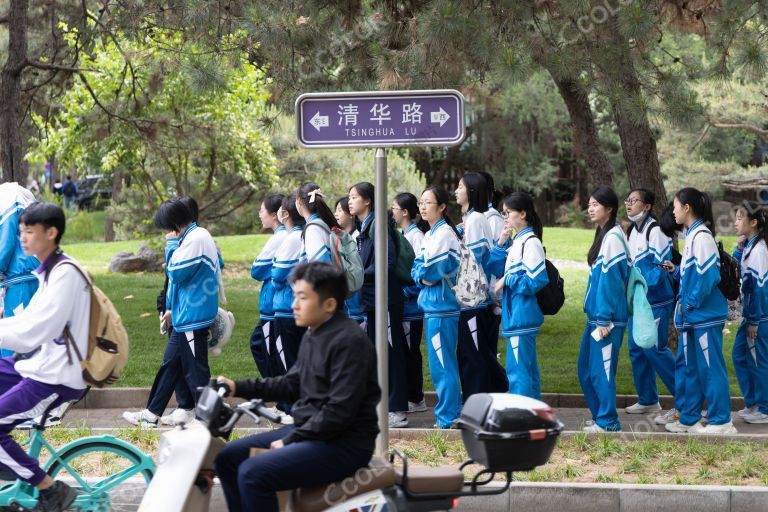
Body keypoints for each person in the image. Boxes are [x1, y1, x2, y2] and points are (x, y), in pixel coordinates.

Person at [214, 262, 380, 512]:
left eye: (303, 298)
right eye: (295, 296)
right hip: (314, 432)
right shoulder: (315, 333)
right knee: (227, 457)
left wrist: (293, 439)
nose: (294, 305)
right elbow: (291, 384)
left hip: (345, 444)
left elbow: (339, 411)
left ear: (329, 304)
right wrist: (237, 387)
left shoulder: (350, 342)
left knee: (252, 472)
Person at [0, 202, 89, 511]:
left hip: (55, 377)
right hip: (36, 364)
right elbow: (27, 323)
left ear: (51, 233)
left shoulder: (65, 274)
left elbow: (36, 331)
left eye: (29, 231)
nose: (23, 238)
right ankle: (10, 462)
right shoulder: (49, 271)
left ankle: (50, 489)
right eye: (21, 231)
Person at [123, 198, 221, 427]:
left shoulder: (196, 239)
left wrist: (170, 246)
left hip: (193, 317)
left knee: (196, 370)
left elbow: (175, 273)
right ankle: (150, 415)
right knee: (170, 365)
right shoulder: (193, 237)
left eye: (167, 227)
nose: (166, 232)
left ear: (175, 223)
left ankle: (209, 419)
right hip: (185, 315)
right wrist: (171, 309)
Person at [663, 187, 735, 434]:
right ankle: (689, 419)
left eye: (675, 206)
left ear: (687, 208)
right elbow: (695, 272)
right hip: (694, 316)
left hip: (704, 316)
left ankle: (721, 421)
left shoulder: (701, 236)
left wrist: (690, 303)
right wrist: (678, 271)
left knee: (710, 367)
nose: (672, 211)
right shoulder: (693, 236)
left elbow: (708, 275)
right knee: (691, 368)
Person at [348, 182, 409, 428]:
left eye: (354, 197)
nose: (349, 201)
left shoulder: (378, 225)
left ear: (368, 201)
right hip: (373, 302)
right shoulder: (365, 225)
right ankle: (382, 404)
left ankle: (398, 409)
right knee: (376, 353)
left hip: (386, 301)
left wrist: (358, 274)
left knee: (392, 353)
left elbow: (388, 263)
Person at [487, 192, 548, 398]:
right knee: (526, 370)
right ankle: (532, 416)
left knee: (518, 372)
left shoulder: (531, 242)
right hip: (516, 316)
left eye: (508, 212)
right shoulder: (517, 242)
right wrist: (501, 243)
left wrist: (508, 279)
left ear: (522, 214)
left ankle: (522, 417)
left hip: (522, 317)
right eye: (503, 213)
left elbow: (536, 281)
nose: (504, 217)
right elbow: (494, 267)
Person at [579, 187, 630, 433]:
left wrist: (603, 317)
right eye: (589, 204)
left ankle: (608, 421)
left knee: (602, 370)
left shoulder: (612, 238)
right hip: (597, 317)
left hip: (607, 319)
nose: (590, 208)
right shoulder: (604, 234)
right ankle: (600, 416)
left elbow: (610, 282)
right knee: (587, 370)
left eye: (596, 204)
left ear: (609, 208)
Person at [623, 189, 677, 421]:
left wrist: (640, 285)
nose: (628, 205)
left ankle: (685, 398)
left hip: (655, 301)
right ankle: (648, 400)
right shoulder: (631, 231)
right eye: (627, 201)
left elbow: (660, 268)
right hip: (638, 302)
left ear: (647, 207)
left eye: (633, 201)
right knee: (637, 349)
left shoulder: (655, 231)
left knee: (654, 349)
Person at [411, 186, 463, 428]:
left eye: (427, 203)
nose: (422, 207)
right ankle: (448, 414)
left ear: (442, 207)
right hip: (433, 308)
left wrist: (422, 274)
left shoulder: (444, 234)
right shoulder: (431, 234)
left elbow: (431, 271)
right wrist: (421, 275)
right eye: (421, 202)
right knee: (440, 363)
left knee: (443, 364)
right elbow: (417, 268)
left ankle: (448, 416)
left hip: (443, 309)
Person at [454, 172, 507, 399]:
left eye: (460, 187)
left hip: (475, 301)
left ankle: (477, 406)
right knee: (474, 353)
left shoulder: (476, 220)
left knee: (474, 356)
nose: (456, 191)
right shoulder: (472, 219)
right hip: (472, 301)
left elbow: (477, 261)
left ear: (471, 191)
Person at [269, 195, 306, 422]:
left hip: (285, 306)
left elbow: (278, 273)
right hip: (294, 306)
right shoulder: (303, 235)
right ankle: (289, 405)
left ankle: (292, 409)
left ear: (286, 214)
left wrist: (275, 277)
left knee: (288, 361)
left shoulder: (292, 238)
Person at [732, 202, 768, 424]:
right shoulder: (749, 247)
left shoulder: (759, 251)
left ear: (753, 223)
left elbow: (759, 289)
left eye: (739, 218)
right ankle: (753, 402)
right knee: (739, 355)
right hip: (751, 316)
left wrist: (754, 320)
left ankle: (764, 408)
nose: (735, 222)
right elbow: (736, 267)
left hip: (759, 317)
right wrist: (738, 247)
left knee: (759, 361)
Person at [392, 192, 426, 413]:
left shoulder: (415, 237)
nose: (391, 212)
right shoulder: (404, 234)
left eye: (395, 208)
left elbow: (419, 276)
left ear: (405, 212)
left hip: (412, 309)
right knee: (406, 352)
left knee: (411, 353)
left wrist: (404, 292)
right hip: (404, 308)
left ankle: (416, 398)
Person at [249, 194, 287, 377]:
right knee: (263, 346)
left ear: (274, 215)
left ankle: (281, 399)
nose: (259, 214)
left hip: (274, 306)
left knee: (272, 353)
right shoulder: (283, 236)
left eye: (261, 210)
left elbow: (256, 270)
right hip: (273, 305)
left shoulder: (279, 238)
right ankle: (279, 398)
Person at [0, 183, 39, 358]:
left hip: (20, 277)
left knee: (16, 341)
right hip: (30, 273)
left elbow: (5, 243)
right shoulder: (19, 195)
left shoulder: (5, 198)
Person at [334, 197, 367, 328]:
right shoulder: (338, 237)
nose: (335, 214)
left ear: (350, 214)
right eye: (335, 210)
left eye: (339, 210)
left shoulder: (358, 237)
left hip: (357, 302)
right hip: (345, 302)